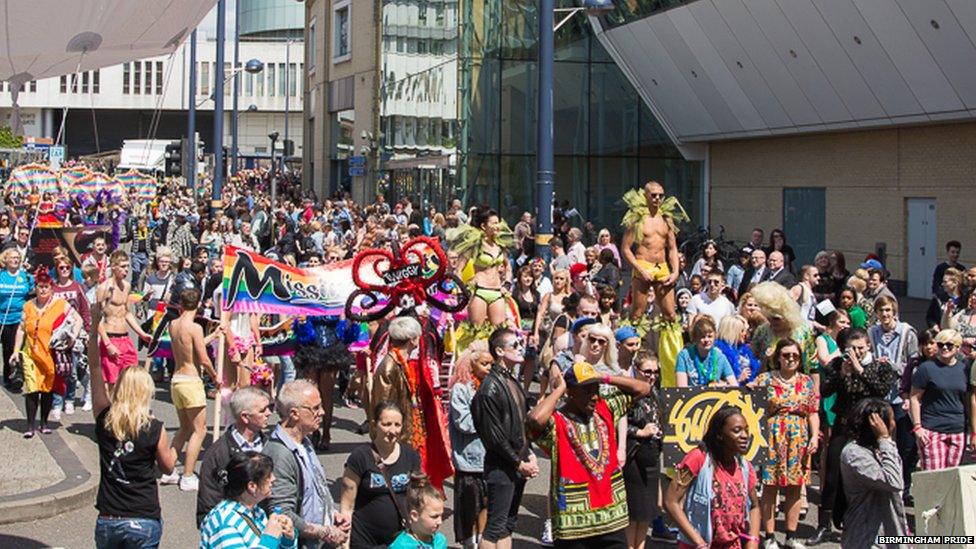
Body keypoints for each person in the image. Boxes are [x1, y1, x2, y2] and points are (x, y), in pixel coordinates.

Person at [526, 359, 651, 547]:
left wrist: (604, 377)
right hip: (573, 524)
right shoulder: (556, 422)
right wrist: (559, 389)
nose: (593, 396)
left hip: (611, 517)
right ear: (570, 392)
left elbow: (643, 389)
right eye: (586, 390)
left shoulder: (605, 408)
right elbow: (535, 420)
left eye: (596, 389)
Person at [88, 306, 176, 549]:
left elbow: (95, 368)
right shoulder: (154, 428)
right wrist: (181, 439)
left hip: (109, 517)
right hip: (143, 517)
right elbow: (168, 467)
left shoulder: (105, 416)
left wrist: (94, 326)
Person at [809, 328, 898, 545]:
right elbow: (826, 391)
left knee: (868, 476)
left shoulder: (880, 366)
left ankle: (862, 522)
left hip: (870, 431)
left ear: (868, 346)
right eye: (852, 349)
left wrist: (860, 370)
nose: (856, 353)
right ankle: (824, 525)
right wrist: (842, 374)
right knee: (832, 476)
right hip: (843, 426)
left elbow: (881, 391)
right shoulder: (840, 364)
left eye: (860, 348)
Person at [471, 328, 539, 549]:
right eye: (515, 345)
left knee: (508, 523)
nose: (521, 349)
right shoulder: (489, 389)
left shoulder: (511, 380)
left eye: (520, 344)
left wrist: (529, 454)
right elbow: (494, 437)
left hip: (516, 463)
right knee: (495, 525)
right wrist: (518, 463)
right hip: (502, 466)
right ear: (499, 351)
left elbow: (521, 423)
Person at [263, 380, 350, 548]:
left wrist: (332, 513)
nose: (323, 412)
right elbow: (282, 514)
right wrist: (326, 532)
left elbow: (316, 490)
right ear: (294, 414)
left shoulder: (304, 442)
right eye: (315, 408)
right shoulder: (280, 455)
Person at [750, 339, 819, 549]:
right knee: (770, 486)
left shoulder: (806, 381)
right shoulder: (765, 379)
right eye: (786, 355)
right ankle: (769, 536)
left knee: (795, 486)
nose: (791, 359)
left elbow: (813, 411)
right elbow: (750, 404)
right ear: (778, 357)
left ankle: (791, 535)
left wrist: (814, 436)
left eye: (795, 356)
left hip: (798, 436)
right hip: (773, 435)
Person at [663, 405, 761, 549]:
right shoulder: (698, 458)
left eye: (746, 430)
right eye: (737, 430)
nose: (745, 435)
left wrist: (752, 540)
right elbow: (671, 501)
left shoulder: (745, 467)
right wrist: (699, 543)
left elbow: (754, 506)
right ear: (719, 435)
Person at [620, 181, 689, 386]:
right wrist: (640, 269)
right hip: (643, 265)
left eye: (660, 195)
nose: (658, 199)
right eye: (654, 195)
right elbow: (625, 248)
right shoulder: (637, 219)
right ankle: (632, 361)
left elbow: (672, 248)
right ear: (646, 196)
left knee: (670, 315)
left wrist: (676, 271)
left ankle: (672, 366)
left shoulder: (666, 219)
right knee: (637, 314)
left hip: (663, 268)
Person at [159, 288, 222, 491]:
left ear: (180, 306)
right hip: (191, 380)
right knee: (199, 430)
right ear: (198, 305)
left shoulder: (173, 324)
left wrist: (213, 335)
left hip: (177, 380)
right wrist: (215, 376)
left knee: (184, 428)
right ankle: (187, 475)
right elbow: (203, 358)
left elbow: (192, 347)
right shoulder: (194, 327)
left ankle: (169, 470)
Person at [340, 401, 422, 548]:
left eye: (397, 425)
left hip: (400, 541)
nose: (392, 430)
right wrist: (344, 543)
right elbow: (347, 506)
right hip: (364, 540)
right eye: (386, 424)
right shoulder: (360, 457)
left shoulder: (410, 455)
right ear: (374, 424)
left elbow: (419, 498)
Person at [13, 268, 82, 437]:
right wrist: (16, 351)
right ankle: (30, 425)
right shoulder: (28, 306)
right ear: (35, 288)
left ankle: (44, 422)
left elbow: (78, 319)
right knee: (31, 388)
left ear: (51, 288)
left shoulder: (60, 304)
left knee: (46, 389)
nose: (43, 289)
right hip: (30, 354)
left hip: (50, 354)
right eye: (39, 286)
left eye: (46, 287)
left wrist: (73, 336)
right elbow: (21, 330)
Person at [839, 398, 910, 549]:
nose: (894, 424)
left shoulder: (882, 449)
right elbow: (894, 481)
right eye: (891, 420)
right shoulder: (854, 454)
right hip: (866, 538)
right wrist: (884, 439)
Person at [197, 387, 273, 526]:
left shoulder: (271, 446)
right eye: (262, 410)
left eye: (269, 408)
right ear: (245, 417)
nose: (269, 413)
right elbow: (208, 502)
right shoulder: (218, 454)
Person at [199, 452, 297, 549]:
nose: (274, 479)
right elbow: (267, 545)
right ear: (252, 486)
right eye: (268, 476)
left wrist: (287, 540)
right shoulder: (225, 523)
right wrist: (270, 538)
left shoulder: (257, 512)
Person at [909, 329, 973, 471]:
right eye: (941, 344)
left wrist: (972, 430)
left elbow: (969, 400)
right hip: (932, 430)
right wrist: (918, 426)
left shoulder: (964, 369)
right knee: (935, 479)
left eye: (949, 345)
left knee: (952, 480)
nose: (944, 348)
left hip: (958, 430)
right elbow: (914, 398)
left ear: (957, 347)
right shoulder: (927, 368)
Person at [623, 351, 668, 549]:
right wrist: (639, 431)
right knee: (634, 515)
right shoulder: (629, 393)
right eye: (647, 371)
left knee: (646, 516)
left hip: (651, 458)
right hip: (634, 459)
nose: (651, 376)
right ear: (636, 370)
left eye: (655, 372)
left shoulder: (655, 392)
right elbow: (618, 424)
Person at [449, 346, 492, 549]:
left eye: (491, 363)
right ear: (471, 365)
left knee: (486, 503)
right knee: (469, 507)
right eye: (484, 364)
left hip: (489, 458)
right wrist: (490, 420)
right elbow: (464, 423)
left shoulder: (491, 387)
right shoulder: (461, 390)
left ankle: (481, 541)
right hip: (469, 460)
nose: (489, 368)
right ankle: (470, 542)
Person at [447, 207, 514, 328]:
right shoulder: (475, 245)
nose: (498, 226)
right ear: (484, 226)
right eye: (494, 223)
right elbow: (458, 270)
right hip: (479, 291)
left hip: (497, 291)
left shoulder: (500, 245)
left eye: (498, 222)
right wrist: (462, 290)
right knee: (476, 330)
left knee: (499, 330)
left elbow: (508, 267)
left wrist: (507, 284)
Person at [97, 250, 152, 391]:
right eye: (122, 266)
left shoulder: (126, 286)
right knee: (112, 383)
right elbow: (96, 319)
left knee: (131, 379)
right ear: (113, 267)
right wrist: (107, 344)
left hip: (125, 339)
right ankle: (112, 411)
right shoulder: (104, 288)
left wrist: (141, 334)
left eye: (127, 266)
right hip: (110, 337)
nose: (126, 270)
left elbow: (126, 313)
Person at [369, 316, 422, 441]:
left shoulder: (402, 362)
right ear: (412, 340)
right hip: (393, 436)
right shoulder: (389, 367)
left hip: (404, 432)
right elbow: (383, 407)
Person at [388, 472, 448, 549]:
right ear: (414, 515)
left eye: (441, 515)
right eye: (434, 516)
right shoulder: (401, 546)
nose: (440, 522)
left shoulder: (440, 541)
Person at [0, 247, 32, 392]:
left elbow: (32, 291)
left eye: (17, 258)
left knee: (17, 347)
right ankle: (8, 375)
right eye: (12, 257)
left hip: (20, 317)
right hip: (4, 317)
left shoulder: (25, 276)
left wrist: (31, 279)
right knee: (7, 348)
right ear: (5, 260)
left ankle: (18, 375)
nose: (15, 260)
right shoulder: (1, 276)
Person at [676, 316, 737, 388]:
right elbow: (681, 388)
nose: (706, 340)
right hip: (691, 396)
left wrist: (721, 385)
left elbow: (734, 385)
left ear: (715, 337)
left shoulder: (720, 357)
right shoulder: (684, 355)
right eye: (702, 337)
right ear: (695, 338)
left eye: (710, 336)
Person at [715, 314, 760, 385]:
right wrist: (739, 379)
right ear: (732, 332)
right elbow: (715, 381)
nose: (745, 334)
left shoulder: (744, 350)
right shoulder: (718, 351)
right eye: (742, 331)